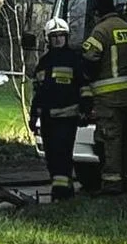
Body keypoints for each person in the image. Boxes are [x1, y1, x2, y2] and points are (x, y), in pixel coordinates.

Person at [80, 0, 127, 194]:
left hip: (109, 97)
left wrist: (87, 78)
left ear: (97, 13)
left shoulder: (101, 31)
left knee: (110, 140)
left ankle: (112, 184)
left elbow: (89, 58)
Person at [28, 17, 89, 201]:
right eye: (54, 37)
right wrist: (33, 115)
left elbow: (84, 86)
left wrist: (86, 108)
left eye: (61, 36)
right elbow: (37, 92)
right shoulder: (43, 62)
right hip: (47, 119)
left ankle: (60, 193)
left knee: (62, 155)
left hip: (67, 117)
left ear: (66, 37)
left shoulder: (74, 59)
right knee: (52, 157)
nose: (58, 40)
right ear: (48, 39)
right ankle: (65, 190)